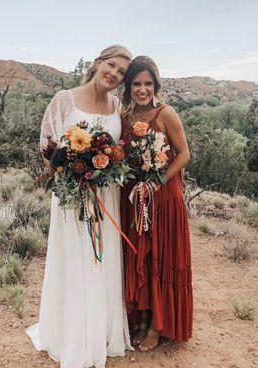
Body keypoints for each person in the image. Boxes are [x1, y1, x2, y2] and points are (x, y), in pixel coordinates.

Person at [27, 45, 133, 368]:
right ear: (98, 62)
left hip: (106, 196)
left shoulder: (117, 106)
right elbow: (47, 144)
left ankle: (99, 331)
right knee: (76, 259)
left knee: (102, 259)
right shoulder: (65, 99)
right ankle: (72, 335)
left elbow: (121, 150)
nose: (114, 74)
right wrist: (69, 170)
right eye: (111, 66)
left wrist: (105, 167)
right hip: (72, 198)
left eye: (121, 73)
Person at [120, 56, 193, 352]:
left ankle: (157, 326)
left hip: (163, 197)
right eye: (137, 83)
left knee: (161, 258)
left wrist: (157, 182)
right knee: (141, 257)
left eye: (148, 83)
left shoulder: (165, 113)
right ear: (128, 86)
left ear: (156, 85)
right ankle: (140, 318)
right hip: (135, 199)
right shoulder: (124, 117)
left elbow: (184, 154)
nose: (142, 89)